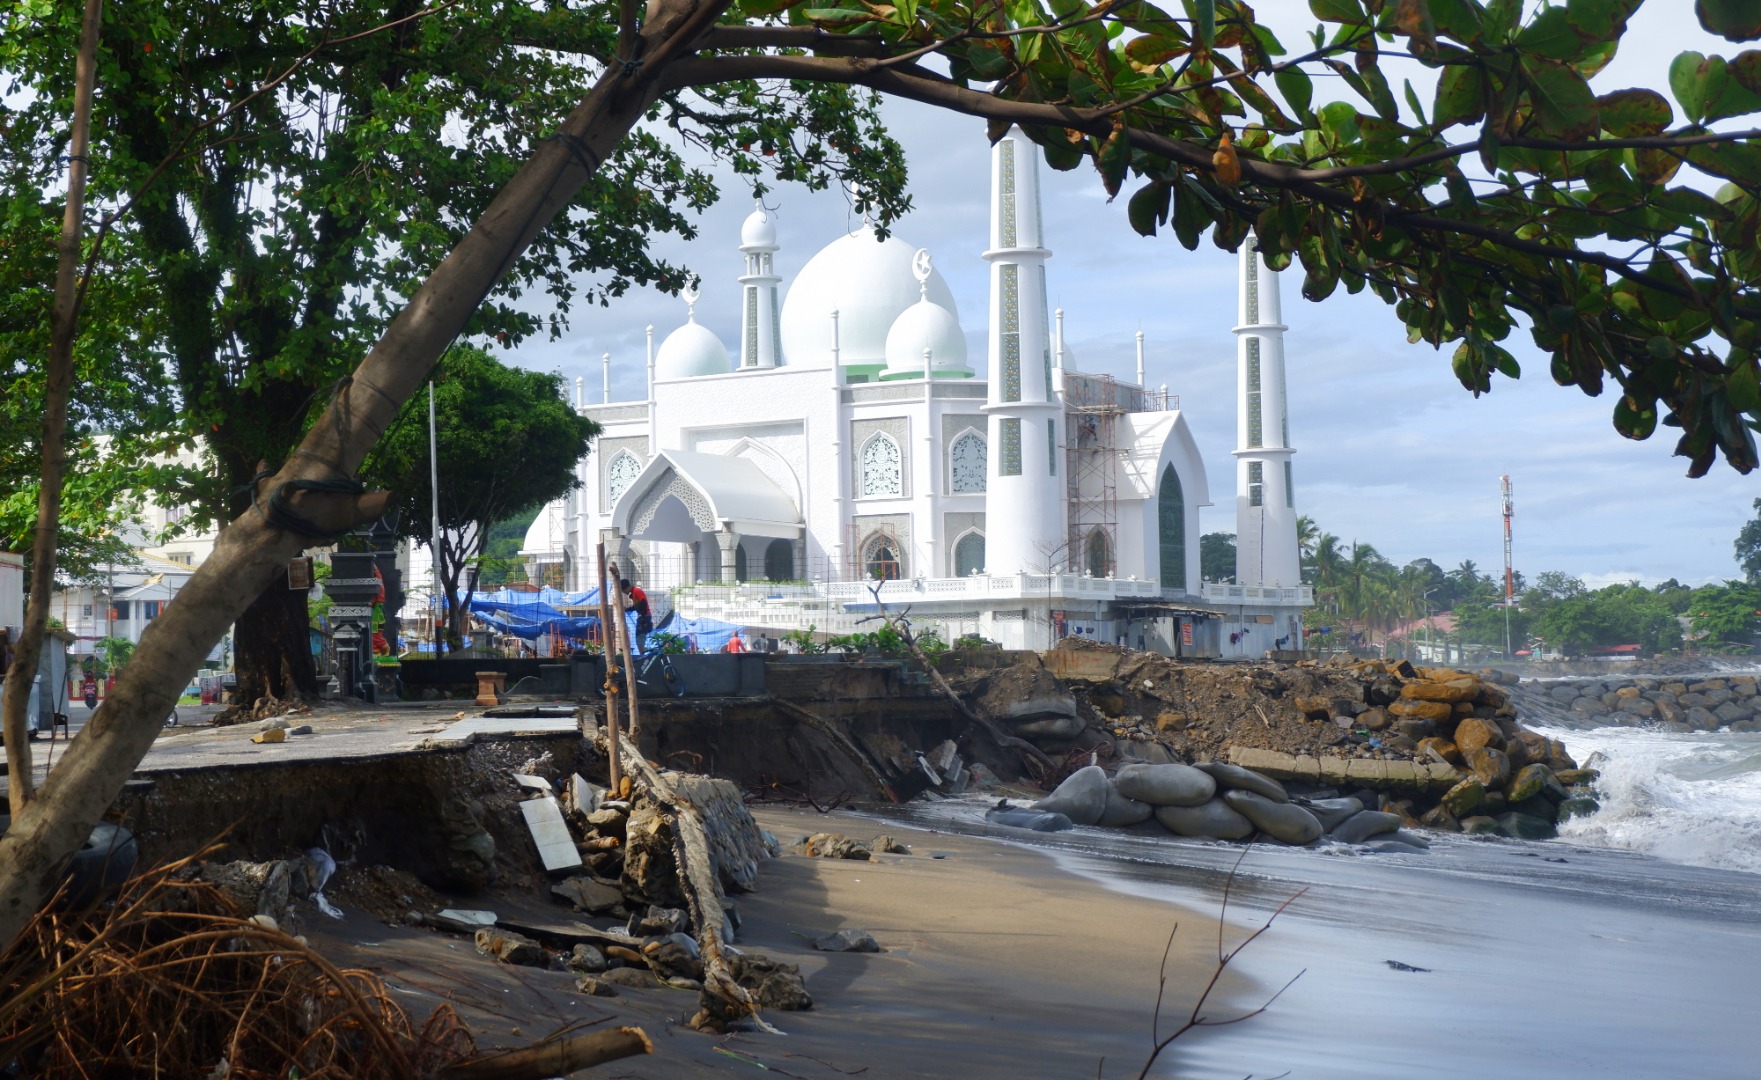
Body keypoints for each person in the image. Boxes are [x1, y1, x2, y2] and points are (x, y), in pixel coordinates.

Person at [620, 578, 651, 653]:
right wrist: (628, 609)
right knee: (639, 639)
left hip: (644, 616)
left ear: (627, 587)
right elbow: (637, 606)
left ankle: (643, 656)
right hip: (643, 616)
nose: (624, 592)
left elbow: (643, 603)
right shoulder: (634, 593)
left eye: (623, 590)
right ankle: (643, 653)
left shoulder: (636, 591)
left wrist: (642, 617)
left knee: (640, 639)